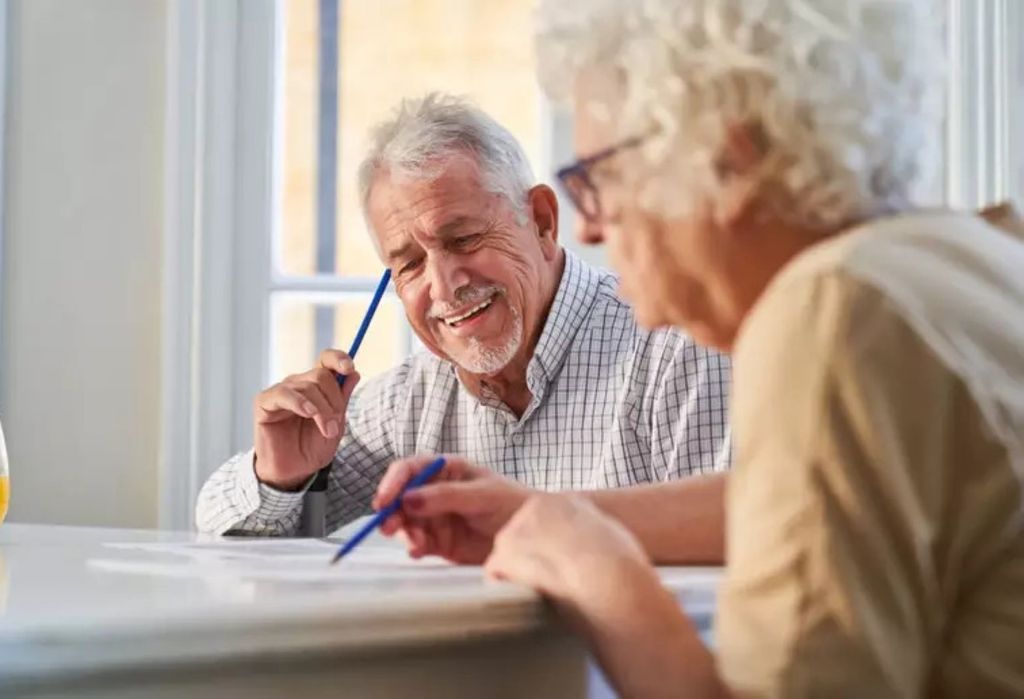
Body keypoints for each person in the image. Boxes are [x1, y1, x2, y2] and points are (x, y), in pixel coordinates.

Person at [374, 1, 1024, 696]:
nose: (590, 231)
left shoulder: (830, 310)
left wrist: (596, 571)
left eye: (600, 179)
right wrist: (542, 514)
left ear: (728, 160)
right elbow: (811, 504)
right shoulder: (972, 256)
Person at [195, 94, 731, 539]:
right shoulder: (411, 400)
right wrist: (279, 478)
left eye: (465, 239)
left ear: (542, 222)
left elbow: (739, 556)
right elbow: (219, 530)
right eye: (408, 264)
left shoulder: (676, 352)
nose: (444, 285)